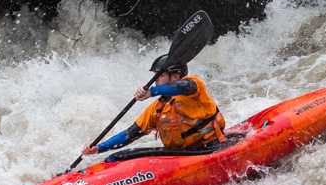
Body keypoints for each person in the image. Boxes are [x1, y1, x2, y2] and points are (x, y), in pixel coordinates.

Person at [82, 54, 227, 156]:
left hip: (212, 147)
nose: (155, 80)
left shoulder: (194, 88)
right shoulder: (157, 109)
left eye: (160, 75)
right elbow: (130, 134)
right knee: (120, 156)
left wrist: (152, 91)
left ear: (175, 76)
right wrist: (99, 148)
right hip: (182, 155)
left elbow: (184, 86)